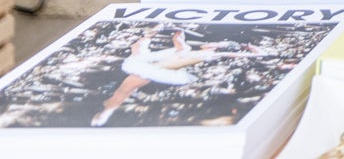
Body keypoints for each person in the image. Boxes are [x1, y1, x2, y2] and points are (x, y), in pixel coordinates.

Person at [90, 30, 255, 125]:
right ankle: (108, 110)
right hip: (155, 66)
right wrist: (177, 39)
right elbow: (178, 49)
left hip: (161, 70)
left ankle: (108, 110)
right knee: (125, 88)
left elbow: (230, 53)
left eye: (219, 44)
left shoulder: (209, 54)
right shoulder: (191, 49)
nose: (216, 43)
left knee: (126, 88)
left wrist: (251, 51)